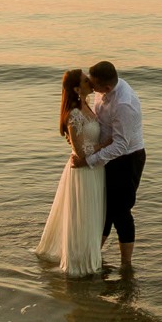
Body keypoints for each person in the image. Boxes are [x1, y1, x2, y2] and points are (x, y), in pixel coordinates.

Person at [77, 60, 146, 272]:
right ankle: (95, 255)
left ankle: (126, 265)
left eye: (93, 84)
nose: (90, 86)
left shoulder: (124, 104)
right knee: (104, 209)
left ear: (107, 87)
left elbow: (120, 145)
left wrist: (88, 160)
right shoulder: (101, 89)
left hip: (127, 159)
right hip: (105, 155)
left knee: (121, 211)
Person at [35, 69, 105, 277]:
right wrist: (106, 145)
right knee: (83, 216)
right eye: (85, 80)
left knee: (93, 216)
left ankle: (89, 255)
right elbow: (81, 151)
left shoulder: (89, 107)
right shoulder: (74, 114)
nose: (90, 81)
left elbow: (86, 141)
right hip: (82, 172)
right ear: (76, 88)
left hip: (95, 169)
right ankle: (79, 262)